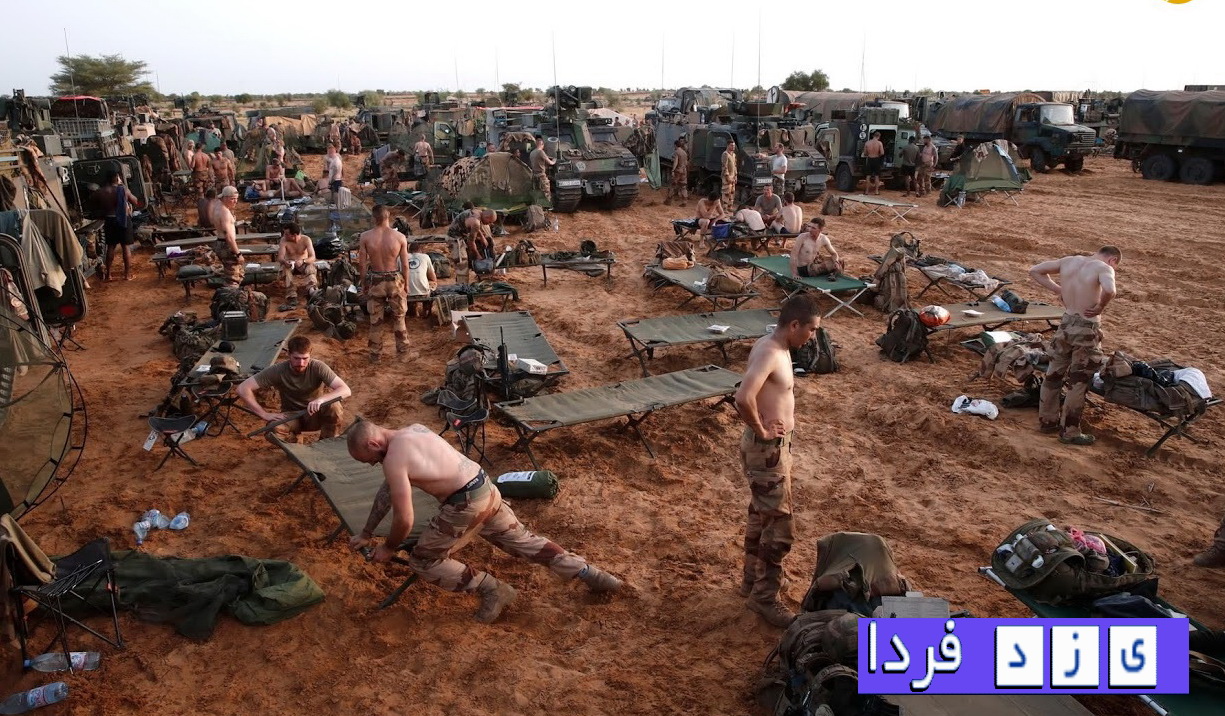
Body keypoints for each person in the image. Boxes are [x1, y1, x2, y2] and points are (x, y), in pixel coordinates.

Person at [346, 419, 622, 623]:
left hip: (464, 504)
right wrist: (367, 532)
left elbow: (405, 519)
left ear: (374, 444)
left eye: (368, 459)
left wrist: (389, 548)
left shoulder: (393, 460)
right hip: (486, 488)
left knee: (422, 560)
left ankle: (493, 589)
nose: (372, 464)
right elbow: (387, 491)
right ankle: (591, 574)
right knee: (522, 540)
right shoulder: (415, 429)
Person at [734, 294, 820, 627]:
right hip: (767, 451)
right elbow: (743, 397)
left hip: (771, 450)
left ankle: (752, 581)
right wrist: (762, 429)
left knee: (761, 515)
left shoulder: (776, 347)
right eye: (811, 330)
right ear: (794, 324)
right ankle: (765, 598)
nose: (812, 336)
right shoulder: (771, 352)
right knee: (780, 528)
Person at [1028, 246, 1121, 445]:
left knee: (1053, 374)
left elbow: (1035, 271)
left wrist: (1059, 290)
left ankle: (1047, 421)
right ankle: (1070, 431)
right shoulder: (1103, 268)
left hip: (1065, 323)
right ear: (1112, 260)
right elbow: (1110, 290)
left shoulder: (1068, 261)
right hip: (1086, 328)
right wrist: (1100, 306)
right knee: (1078, 381)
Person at [236, 335, 351, 443]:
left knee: (334, 405)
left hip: (315, 414)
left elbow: (345, 390)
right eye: (296, 358)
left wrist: (321, 400)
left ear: (310, 354)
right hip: (292, 417)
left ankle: (326, 443)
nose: (301, 363)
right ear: (288, 354)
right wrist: (264, 414)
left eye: (305, 358)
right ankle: (295, 444)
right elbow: (242, 388)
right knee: (273, 430)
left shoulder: (318, 367)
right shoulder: (278, 370)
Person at [359, 204, 410, 361]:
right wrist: (407, 284)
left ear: (374, 218)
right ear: (388, 216)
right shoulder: (400, 237)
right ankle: (403, 353)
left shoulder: (365, 237)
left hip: (376, 280)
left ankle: (375, 355)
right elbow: (405, 265)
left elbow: (362, 264)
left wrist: (364, 284)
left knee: (375, 321)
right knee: (399, 318)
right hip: (395, 280)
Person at [91, 170, 142, 282]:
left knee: (111, 247)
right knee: (125, 247)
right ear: (117, 177)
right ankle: (127, 275)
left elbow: (93, 203)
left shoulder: (101, 191)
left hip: (109, 220)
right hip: (123, 220)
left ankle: (109, 275)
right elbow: (136, 201)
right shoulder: (123, 189)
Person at [277, 221, 317, 308]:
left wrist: (303, 261)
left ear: (294, 235)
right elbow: (280, 257)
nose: (284, 235)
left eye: (286, 234)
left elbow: (312, 257)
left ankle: (311, 290)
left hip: (303, 263)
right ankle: (292, 295)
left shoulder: (306, 239)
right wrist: (285, 262)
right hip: (290, 264)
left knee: (310, 267)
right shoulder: (283, 241)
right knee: (285, 269)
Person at [210, 186, 245, 286]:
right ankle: (231, 294)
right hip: (226, 245)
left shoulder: (218, 206)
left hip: (220, 242)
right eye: (232, 199)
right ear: (224, 198)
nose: (235, 201)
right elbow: (229, 237)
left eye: (236, 199)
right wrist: (238, 254)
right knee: (233, 277)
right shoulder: (224, 212)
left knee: (232, 273)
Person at [406, 241, 437, 319]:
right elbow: (433, 277)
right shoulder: (425, 257)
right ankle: (426, 309)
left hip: (407, 293)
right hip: (423, 292)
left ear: (409, 250)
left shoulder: (401, 257)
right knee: (432, 283)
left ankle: (411, 310)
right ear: (420, 250)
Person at [862, 131, 885, 195]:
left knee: (868, 176)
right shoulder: (879, 143)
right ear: (879, 136)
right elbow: (882, 153)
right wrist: (878, 155)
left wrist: (869, 154)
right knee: (876, 176)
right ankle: (876, 191)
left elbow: (865, 153)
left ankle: (866, 191)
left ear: (873, 136)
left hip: (870, 159)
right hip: (876, 159)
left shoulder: (867, 143)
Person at [666, 138, 689, 204]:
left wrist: (673, 170)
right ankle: (684, 201)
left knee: (672, 185)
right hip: (684, 171)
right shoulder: (684, 153)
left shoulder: (677, 152)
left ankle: (668, 200)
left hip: (678, 171)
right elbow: (686, 163)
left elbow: (676, 162)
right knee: (683, 187)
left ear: (675, 145)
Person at [721, 140, 738, 208]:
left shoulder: (734, 155)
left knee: (732, 192)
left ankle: (730, 207)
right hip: (727, 177)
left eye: (734, 145)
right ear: (728, 145)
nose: (733, 147)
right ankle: (724, 208)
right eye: (731, 145)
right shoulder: (725, 154)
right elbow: (724, 166)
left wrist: (735, 176)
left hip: (733, 176)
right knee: (726, 192)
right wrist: (727, 176)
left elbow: (735, 166)